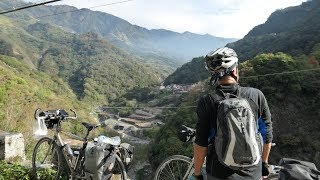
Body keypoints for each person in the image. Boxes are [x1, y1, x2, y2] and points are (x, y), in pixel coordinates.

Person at [193, 47, 273, 180]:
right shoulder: (256, 95)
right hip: (253, 172)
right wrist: (264, 164)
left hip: (219, 173)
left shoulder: (207, 101)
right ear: (235, 70)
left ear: (214, 75)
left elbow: (201, 143)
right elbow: (267, 133)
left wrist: (197, 174)